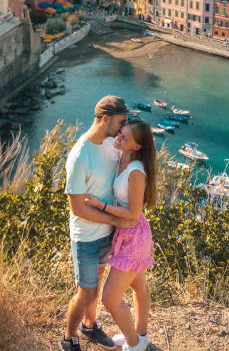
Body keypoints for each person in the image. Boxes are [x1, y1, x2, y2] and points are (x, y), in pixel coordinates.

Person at [61, 95, 138, 351]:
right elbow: (77, 207)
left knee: (96, 285)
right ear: (106, 119)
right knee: (88, 293)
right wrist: (115, 218)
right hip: (86, 237)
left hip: (108, 234)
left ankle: (90, 326)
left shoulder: (110, 145)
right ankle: (69, 337)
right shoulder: (79, 156)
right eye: (121, 123)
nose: (124, 129)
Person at [85, 120, 157, 351]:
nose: (118, 139)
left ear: (137, 147)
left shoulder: (136, 171)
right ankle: (141, 335)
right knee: (139, 287)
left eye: (124, 138)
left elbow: (134, 213)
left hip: (132, 235)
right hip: (127, 232)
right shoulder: (121, 157)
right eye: (119, 134)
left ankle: (134, 345)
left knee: (110, 299)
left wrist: (100, 206)